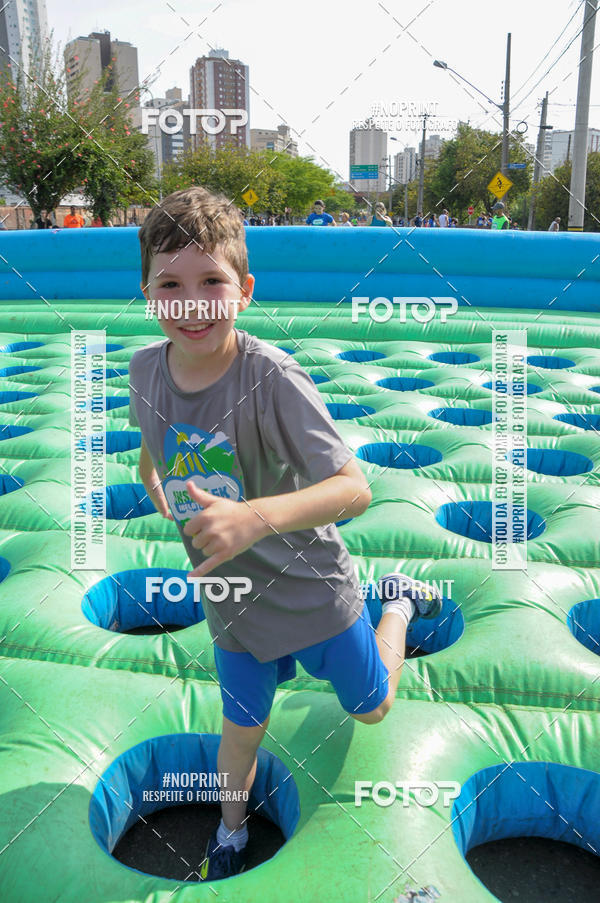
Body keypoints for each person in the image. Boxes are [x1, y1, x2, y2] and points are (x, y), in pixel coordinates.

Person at [130, 186, 443, 881]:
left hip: (311, 592)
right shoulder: (146, 369)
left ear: (243, 290)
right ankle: (231, 827)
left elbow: (354, 487)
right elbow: (151, 446)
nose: (192, 302)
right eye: (170, 284)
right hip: (234, 604)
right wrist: (160, 493)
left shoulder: (272, 378)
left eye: (211, 281)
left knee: (372, 707)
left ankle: (394, 604)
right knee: (240, 728)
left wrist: (252, 516)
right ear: (147, 293)